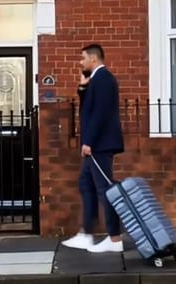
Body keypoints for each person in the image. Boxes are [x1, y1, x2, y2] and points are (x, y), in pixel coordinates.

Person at [62, 44, 125, 253]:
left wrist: (88, 141)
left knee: (105, 190)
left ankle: (114, 239)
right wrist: (82, 88)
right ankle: (86, 235)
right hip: (96, 144)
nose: (81, 62)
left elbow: (100, 114)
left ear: (93, 59)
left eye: (83, 58)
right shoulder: (96, 80)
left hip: (100, 145)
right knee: (86, 185)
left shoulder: (104, 79)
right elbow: (88, 108)